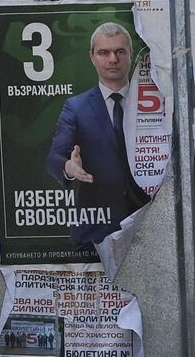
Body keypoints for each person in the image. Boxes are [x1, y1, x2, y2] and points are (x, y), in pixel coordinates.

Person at [45, 22, 153, 246]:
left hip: (149, 231)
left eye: (120, 51)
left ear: (131, 55)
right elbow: (54, 157)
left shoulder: (153, 102)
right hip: (95, 235)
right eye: (104, 52)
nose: (113, 59)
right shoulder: (75, 107)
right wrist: (70, 168)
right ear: (92, 57)